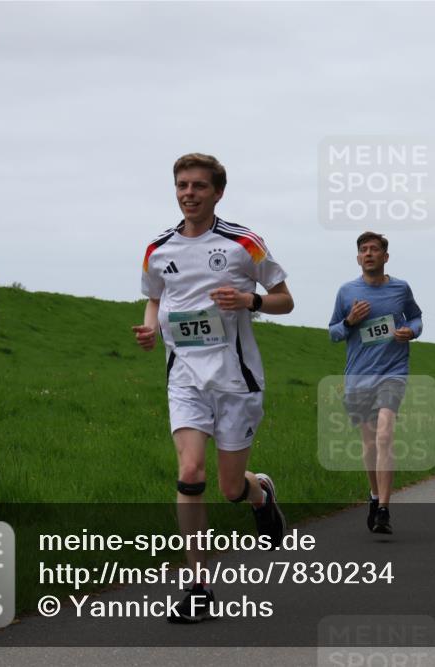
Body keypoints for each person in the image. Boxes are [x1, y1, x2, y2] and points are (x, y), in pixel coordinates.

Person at [133, 153, 294, 622]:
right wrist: (149, 331)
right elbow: (154, 299)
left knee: (228, 488)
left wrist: (251, 299)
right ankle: (199, 585)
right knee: (189, 474)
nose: (189, 193)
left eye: (199, 186)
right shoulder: (157, 249)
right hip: (183, 377)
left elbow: (285, 299)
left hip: (235, 381)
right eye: (182, 185)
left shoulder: (244, 244)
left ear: (217, 192)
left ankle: (259, 491)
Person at [329, 231, 423, 535]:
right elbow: (333, 333)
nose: (368, 253)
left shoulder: (400, 288)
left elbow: (417, 317)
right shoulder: (346, 292)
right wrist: (349, 322)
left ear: (385, 257)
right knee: (369, 444)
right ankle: (373, 496)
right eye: (363, 250)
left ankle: (383, 509)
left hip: (393, 371)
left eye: (374, 249)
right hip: (358, 376)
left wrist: (411, 330)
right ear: (358, 258)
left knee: (384, 436)